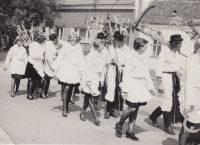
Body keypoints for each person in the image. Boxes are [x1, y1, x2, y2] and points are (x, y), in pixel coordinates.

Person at [115, 38, 157, 141]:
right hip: (132, 84)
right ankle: (119, 123)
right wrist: (125, 90)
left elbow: (146, 73)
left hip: (140, 85)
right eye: (145, 47)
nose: (146, 49)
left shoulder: (143, 57)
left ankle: (130, 132)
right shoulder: (130, 56)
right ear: (140, 46)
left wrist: (151, 87)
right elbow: (126, 74)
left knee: (136, 109)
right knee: (132, 108)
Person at [149, 34, 184, 135]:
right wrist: (160, 83)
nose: (180, 45)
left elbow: (182, 66)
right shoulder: (164, 53)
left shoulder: (178, 54)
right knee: (167, 101)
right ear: (174, 43)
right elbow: (159, 68)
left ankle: (153, 116)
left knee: (170, 101)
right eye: (179, 43)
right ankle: (167, 126)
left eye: (181, 43)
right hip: (165, 78)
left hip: (174, 78)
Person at [52, 32, 86, 117]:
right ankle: (64, 110)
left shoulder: (79, 48)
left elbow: (81, 60)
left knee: (70, 88)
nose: (72, 38)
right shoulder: (65, 47)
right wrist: (55, 69)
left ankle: (66, 106)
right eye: (70, 37)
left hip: (74, 69)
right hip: (66, 68)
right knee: (66, 88)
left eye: (74, 37)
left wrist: (82, 71)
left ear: (77, 38)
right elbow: (60, 57)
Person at [80, 39, 108, 126]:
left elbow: (103, 69)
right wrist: (88, 80)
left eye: (103, 44)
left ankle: (82, 113)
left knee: (88, 98)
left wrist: (102, 80)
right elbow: (87, 69)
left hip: (97, 78)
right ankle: (95, 117)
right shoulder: (90, 56)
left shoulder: (102, 56)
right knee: (91, 98)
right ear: (96, 46)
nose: (103, 46)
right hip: (90, 77)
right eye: (102, 44)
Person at [178, 39, 200, 145]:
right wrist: (189, 103)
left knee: (196, 126)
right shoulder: (191, 61)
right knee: (188, 126)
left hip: (198, 95)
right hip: (192, 96)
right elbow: (189, 83)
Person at [104, 31, 130, 119]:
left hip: (123, 70)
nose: (114, 41)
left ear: (120, 40)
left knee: (119, 90)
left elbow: (128, 60)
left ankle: (114, 110)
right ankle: (108, 111)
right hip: (113, 69)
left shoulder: (127, 49)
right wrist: (118, 65)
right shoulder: (112, 47)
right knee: (111, 88)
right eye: (114, 39)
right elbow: (113, 58)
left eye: (116, 40)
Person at [24, 35, 46, 100]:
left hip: (38, 64)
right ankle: (29, 94)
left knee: (36, 80)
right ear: (41, 40)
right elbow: (33, 55)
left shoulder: (39, 46)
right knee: (32, 80)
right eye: (44, 41)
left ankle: (32, 93)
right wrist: (42, 55)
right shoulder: (34, 45)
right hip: (33, 64)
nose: (44, 42)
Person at [42, 33, 58, 99]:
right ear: (54, 39)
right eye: (56, 39)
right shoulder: (49, 45)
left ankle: (46, 92)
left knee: (48, 79)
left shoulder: (52, 45)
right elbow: (48, 56)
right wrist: (53, 65)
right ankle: (43, 93)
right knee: (46, 79)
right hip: (48, 64)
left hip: (51, 63)